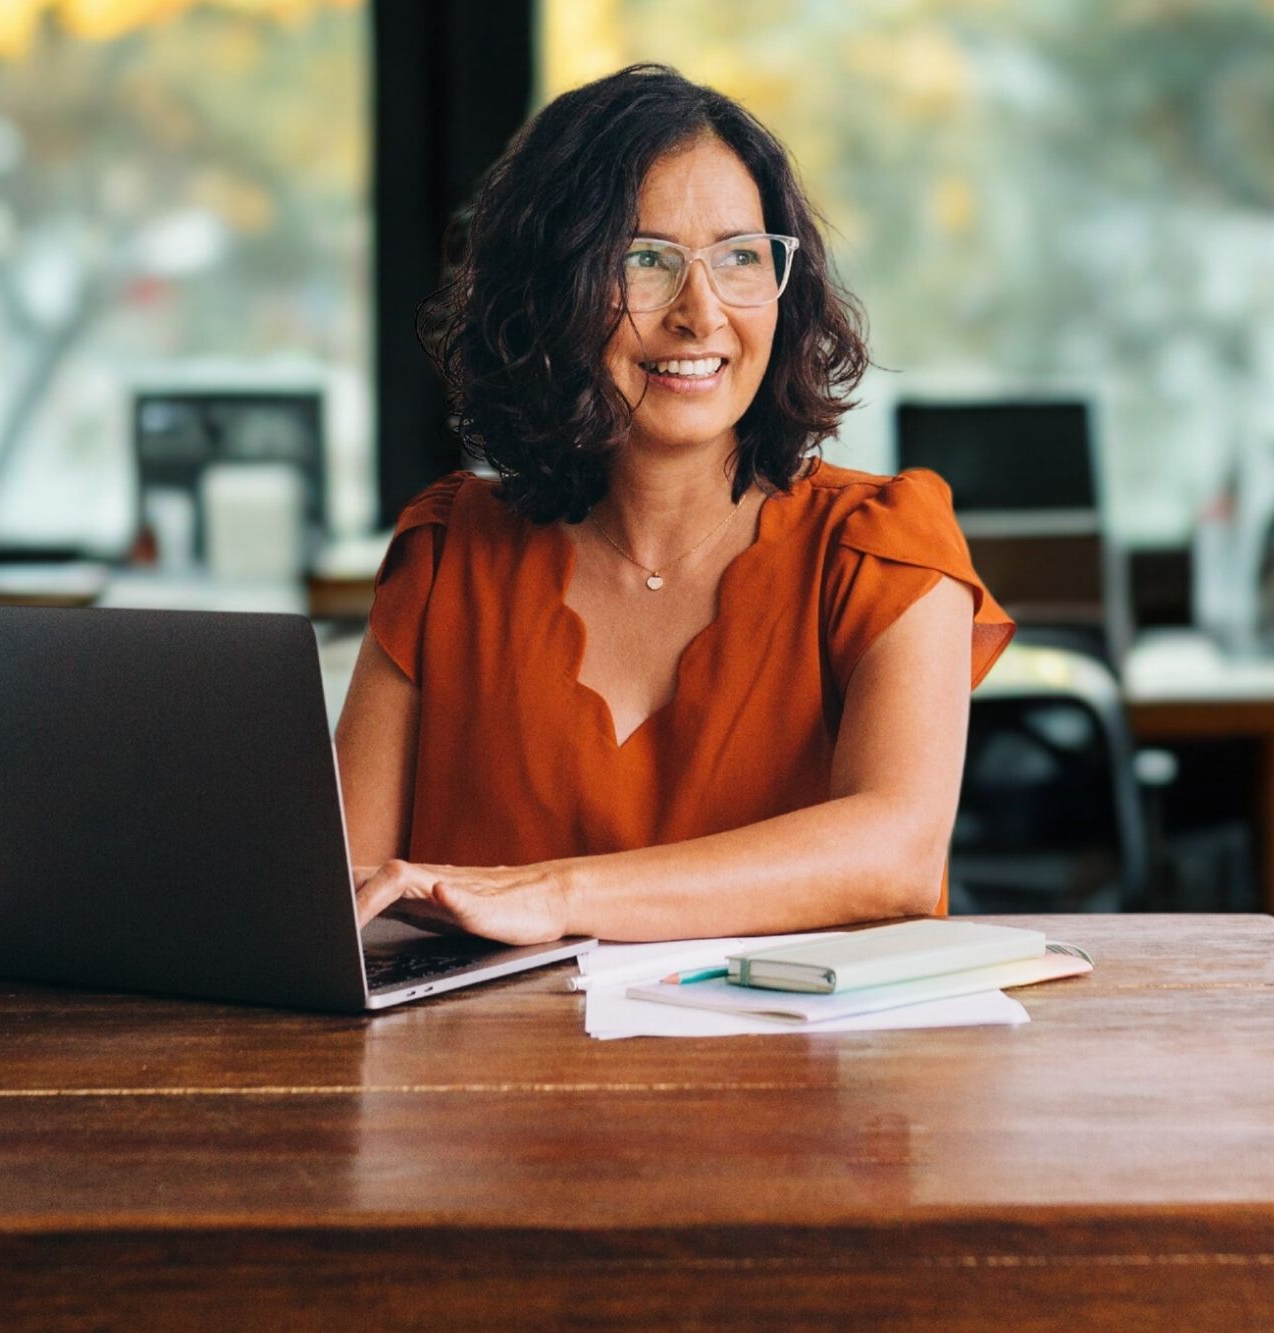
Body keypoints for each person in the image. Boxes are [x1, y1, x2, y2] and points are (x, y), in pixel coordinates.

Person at [337, 64, 1015, 946]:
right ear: (550, 292)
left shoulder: (882, 547)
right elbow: (340, 896)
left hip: (798, 1080)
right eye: (645, 261)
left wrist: (558, 896)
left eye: (740, 257)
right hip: (494, 1080)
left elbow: (895, 854)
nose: (702, 313)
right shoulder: (445, 554)